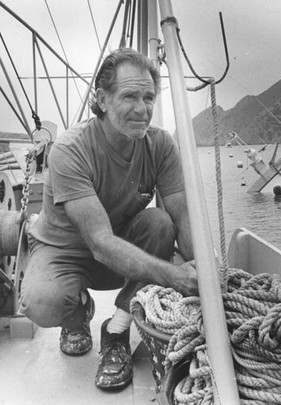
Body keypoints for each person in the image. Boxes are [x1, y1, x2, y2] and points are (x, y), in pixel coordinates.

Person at [19, 48, 198, 391]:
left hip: (119, 251)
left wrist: (202, 267)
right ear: (101, 99)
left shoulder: (160, 145)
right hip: (65, 251)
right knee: (43, 303)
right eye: (129, 96)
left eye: (149, 97)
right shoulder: (70, 149)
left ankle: (116, 330)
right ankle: (77, 311)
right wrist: (176, 276)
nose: (142, 108)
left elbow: (181, 214)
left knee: (160, 223)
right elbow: (99, 243)